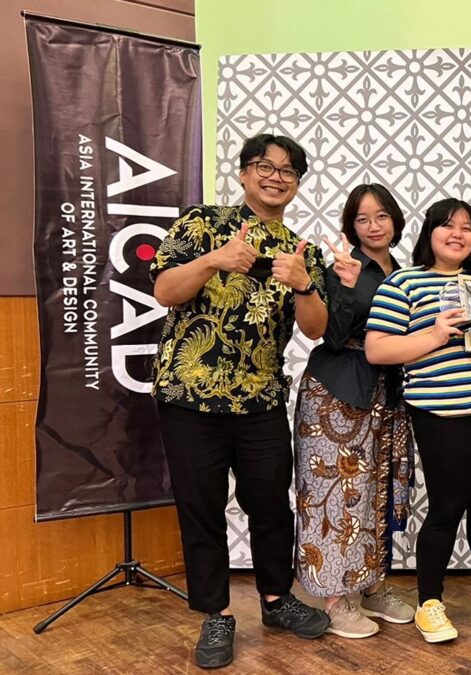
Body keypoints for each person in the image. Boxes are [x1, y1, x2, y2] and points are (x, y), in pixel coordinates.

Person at [150, 133, 330, 669]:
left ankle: (276, 600)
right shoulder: (202, 222)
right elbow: (164, 291)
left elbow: (316, 329)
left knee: (272, 505)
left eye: (288, 171)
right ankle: (216, 614)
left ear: (297, 183)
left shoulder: (301, 250)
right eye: (264, 166)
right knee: (201, 508)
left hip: (261, 401)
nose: (275, 177)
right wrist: (214, 261)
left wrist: (303, 285)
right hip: (189, 399)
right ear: (245, 173)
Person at [364, 198, 471, 644]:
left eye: (467, 227)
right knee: (446, 509)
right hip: (442, 414)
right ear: (429, 232)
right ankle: (429, 603)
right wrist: (435, 333)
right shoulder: (403, 283)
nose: (458, 234)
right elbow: (378, 350)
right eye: (448, 226)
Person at [292, 184, 416, 639]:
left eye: (381, 216)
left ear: (395, 220)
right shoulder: (341, 268)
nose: (373, 226)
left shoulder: (403, 272)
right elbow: (330, 334)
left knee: (378, 491)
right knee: (334, 494)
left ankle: (371, 586)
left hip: (387, 395)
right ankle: (334, 598)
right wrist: (344, 286)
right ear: (351, 226)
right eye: (362, 219)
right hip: (337, 394)